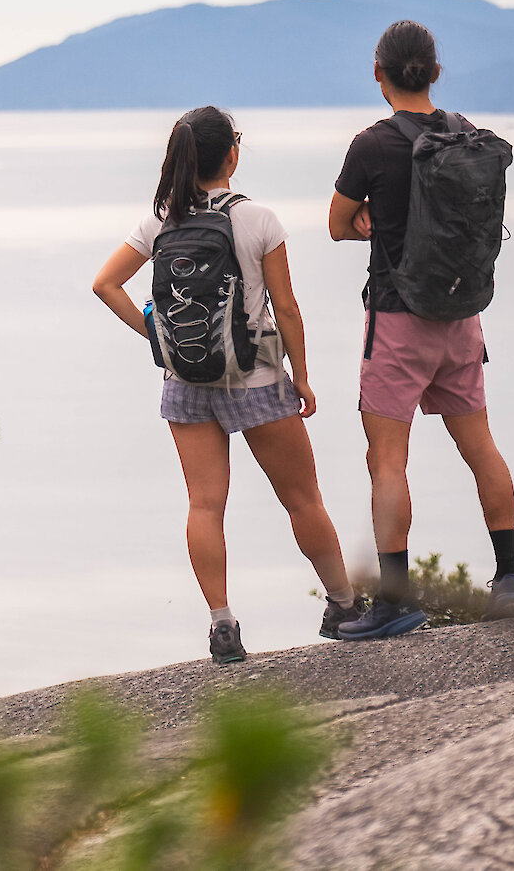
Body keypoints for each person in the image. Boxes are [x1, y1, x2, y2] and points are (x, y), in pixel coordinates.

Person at [92, 105, 362, 665]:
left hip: (185, 383)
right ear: (231, 155)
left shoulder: (161, 220)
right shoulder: (260, 219)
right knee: (302, 499)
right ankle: (343, 605)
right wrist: (303, 378)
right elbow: (286, 307)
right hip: (257, 378)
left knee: (205, 505)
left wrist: (157, 336)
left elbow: (105, 283)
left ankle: (222, 625)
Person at [327, 21, 514, 640]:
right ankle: (509, 581)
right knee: (481, 447)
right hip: (462, 316)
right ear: (435, 72)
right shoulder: (468, 137)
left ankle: (395, 602)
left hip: (397, 321)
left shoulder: (371, 146)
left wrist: (369, 218)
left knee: (386, 461)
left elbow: (337, 224)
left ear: (379, 74)